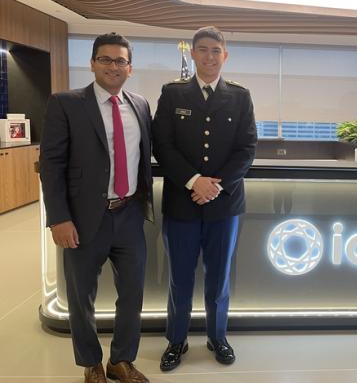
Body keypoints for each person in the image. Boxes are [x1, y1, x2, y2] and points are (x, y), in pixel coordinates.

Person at [40, 33, 153, 383]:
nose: (113, 66)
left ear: (130, 68)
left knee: (132, 294)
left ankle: (122, 360)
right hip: (84, 218)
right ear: (92, 64)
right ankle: (91, 363)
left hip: (130, 213)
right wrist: (58, 217)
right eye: (105, 59)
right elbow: (52, 164)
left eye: (120, 61)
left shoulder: (141, 105)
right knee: (81, 296)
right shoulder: (66, 103)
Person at [153, 26, 257, 372]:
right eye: (203, 50)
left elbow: (246, 148)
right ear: (192, 54)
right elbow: (162, 146)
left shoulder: (240, 97)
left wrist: (215, 185)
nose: (209, 56)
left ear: (225, 56)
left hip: (224, 205)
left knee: (219, 277)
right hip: (182, 204)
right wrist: (195, 181)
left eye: (216, 50)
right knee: (180, 277)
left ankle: (218, 337)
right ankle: (176, 340)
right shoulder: (172, 94)